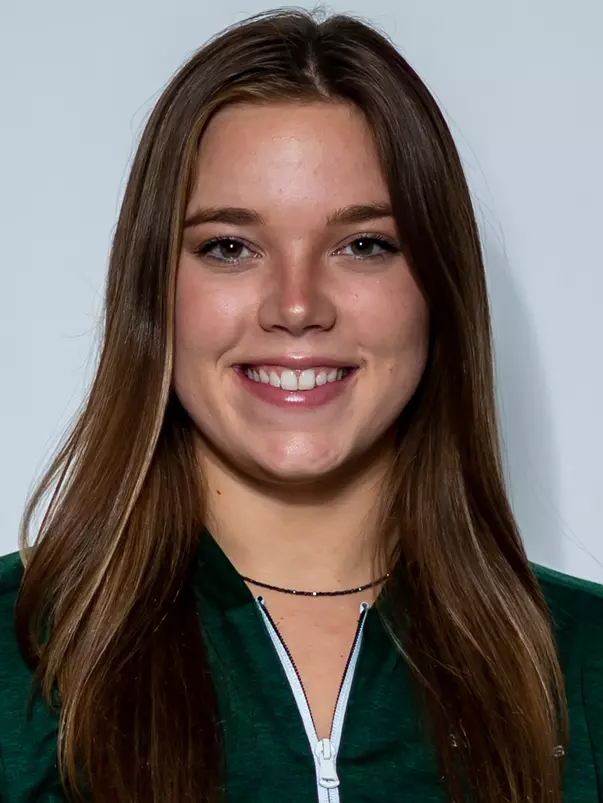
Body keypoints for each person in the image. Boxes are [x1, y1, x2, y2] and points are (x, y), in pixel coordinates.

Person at [0, 6, 601, 803]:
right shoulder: (15, 655)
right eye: (229, 246)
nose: (294, 305)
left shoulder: (585, 661)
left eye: (364, 245)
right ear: (155, 291)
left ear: (437, 290)